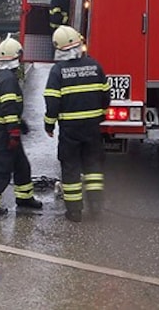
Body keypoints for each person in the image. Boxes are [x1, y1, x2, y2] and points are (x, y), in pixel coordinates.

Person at [43, 25, 111, 222]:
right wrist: (101, 115)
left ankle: (74, 212)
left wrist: (49, 125)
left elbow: (52, 101)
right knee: (93, 166)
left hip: (70, 130)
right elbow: (106, 95)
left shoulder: (57, 71)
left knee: (71, 168)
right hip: (92, 127)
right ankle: (96, 206)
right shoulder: (95, 66)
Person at [0, 37, 42, 216]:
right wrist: (14, 131)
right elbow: (8, 107)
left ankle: (24, 198)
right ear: (15, 57)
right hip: (5, 132)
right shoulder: (8, 80)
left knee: (22, 165)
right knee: (2, 168)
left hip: (3, 129)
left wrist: (19, 125)